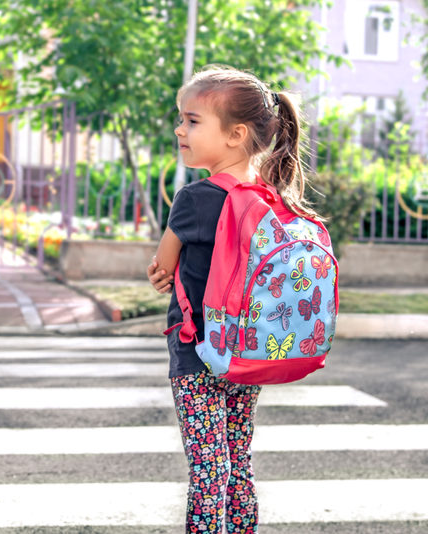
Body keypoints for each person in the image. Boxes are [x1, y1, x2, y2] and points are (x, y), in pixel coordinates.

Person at [146, 65, 318, 533]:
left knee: (208, 470)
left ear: (235, 134)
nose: (180, 129)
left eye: (193, 120)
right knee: (237, 462)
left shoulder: (194, 198)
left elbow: (162, 267)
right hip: (246, 349)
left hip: (197, 351)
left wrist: (164, 272)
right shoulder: (269, 197)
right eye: (181, 119)